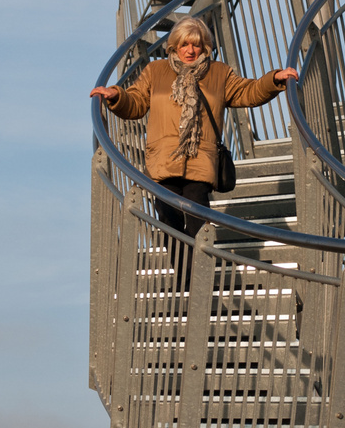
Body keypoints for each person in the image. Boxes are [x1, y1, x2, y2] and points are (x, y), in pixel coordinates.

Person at [90, 17, 298, 276]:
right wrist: (116, 96)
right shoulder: (156, 72)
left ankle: (195, 276)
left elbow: (249, 91)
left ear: (205, 47)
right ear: (174, 46)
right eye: (185, 44)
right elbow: (136, 102)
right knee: (167, 216)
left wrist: (275, 79)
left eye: (196, 45)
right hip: (163, 161)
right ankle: (186, 274)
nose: (190, 50)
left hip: (200, 159)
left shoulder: (218, 73)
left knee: (197, 216)